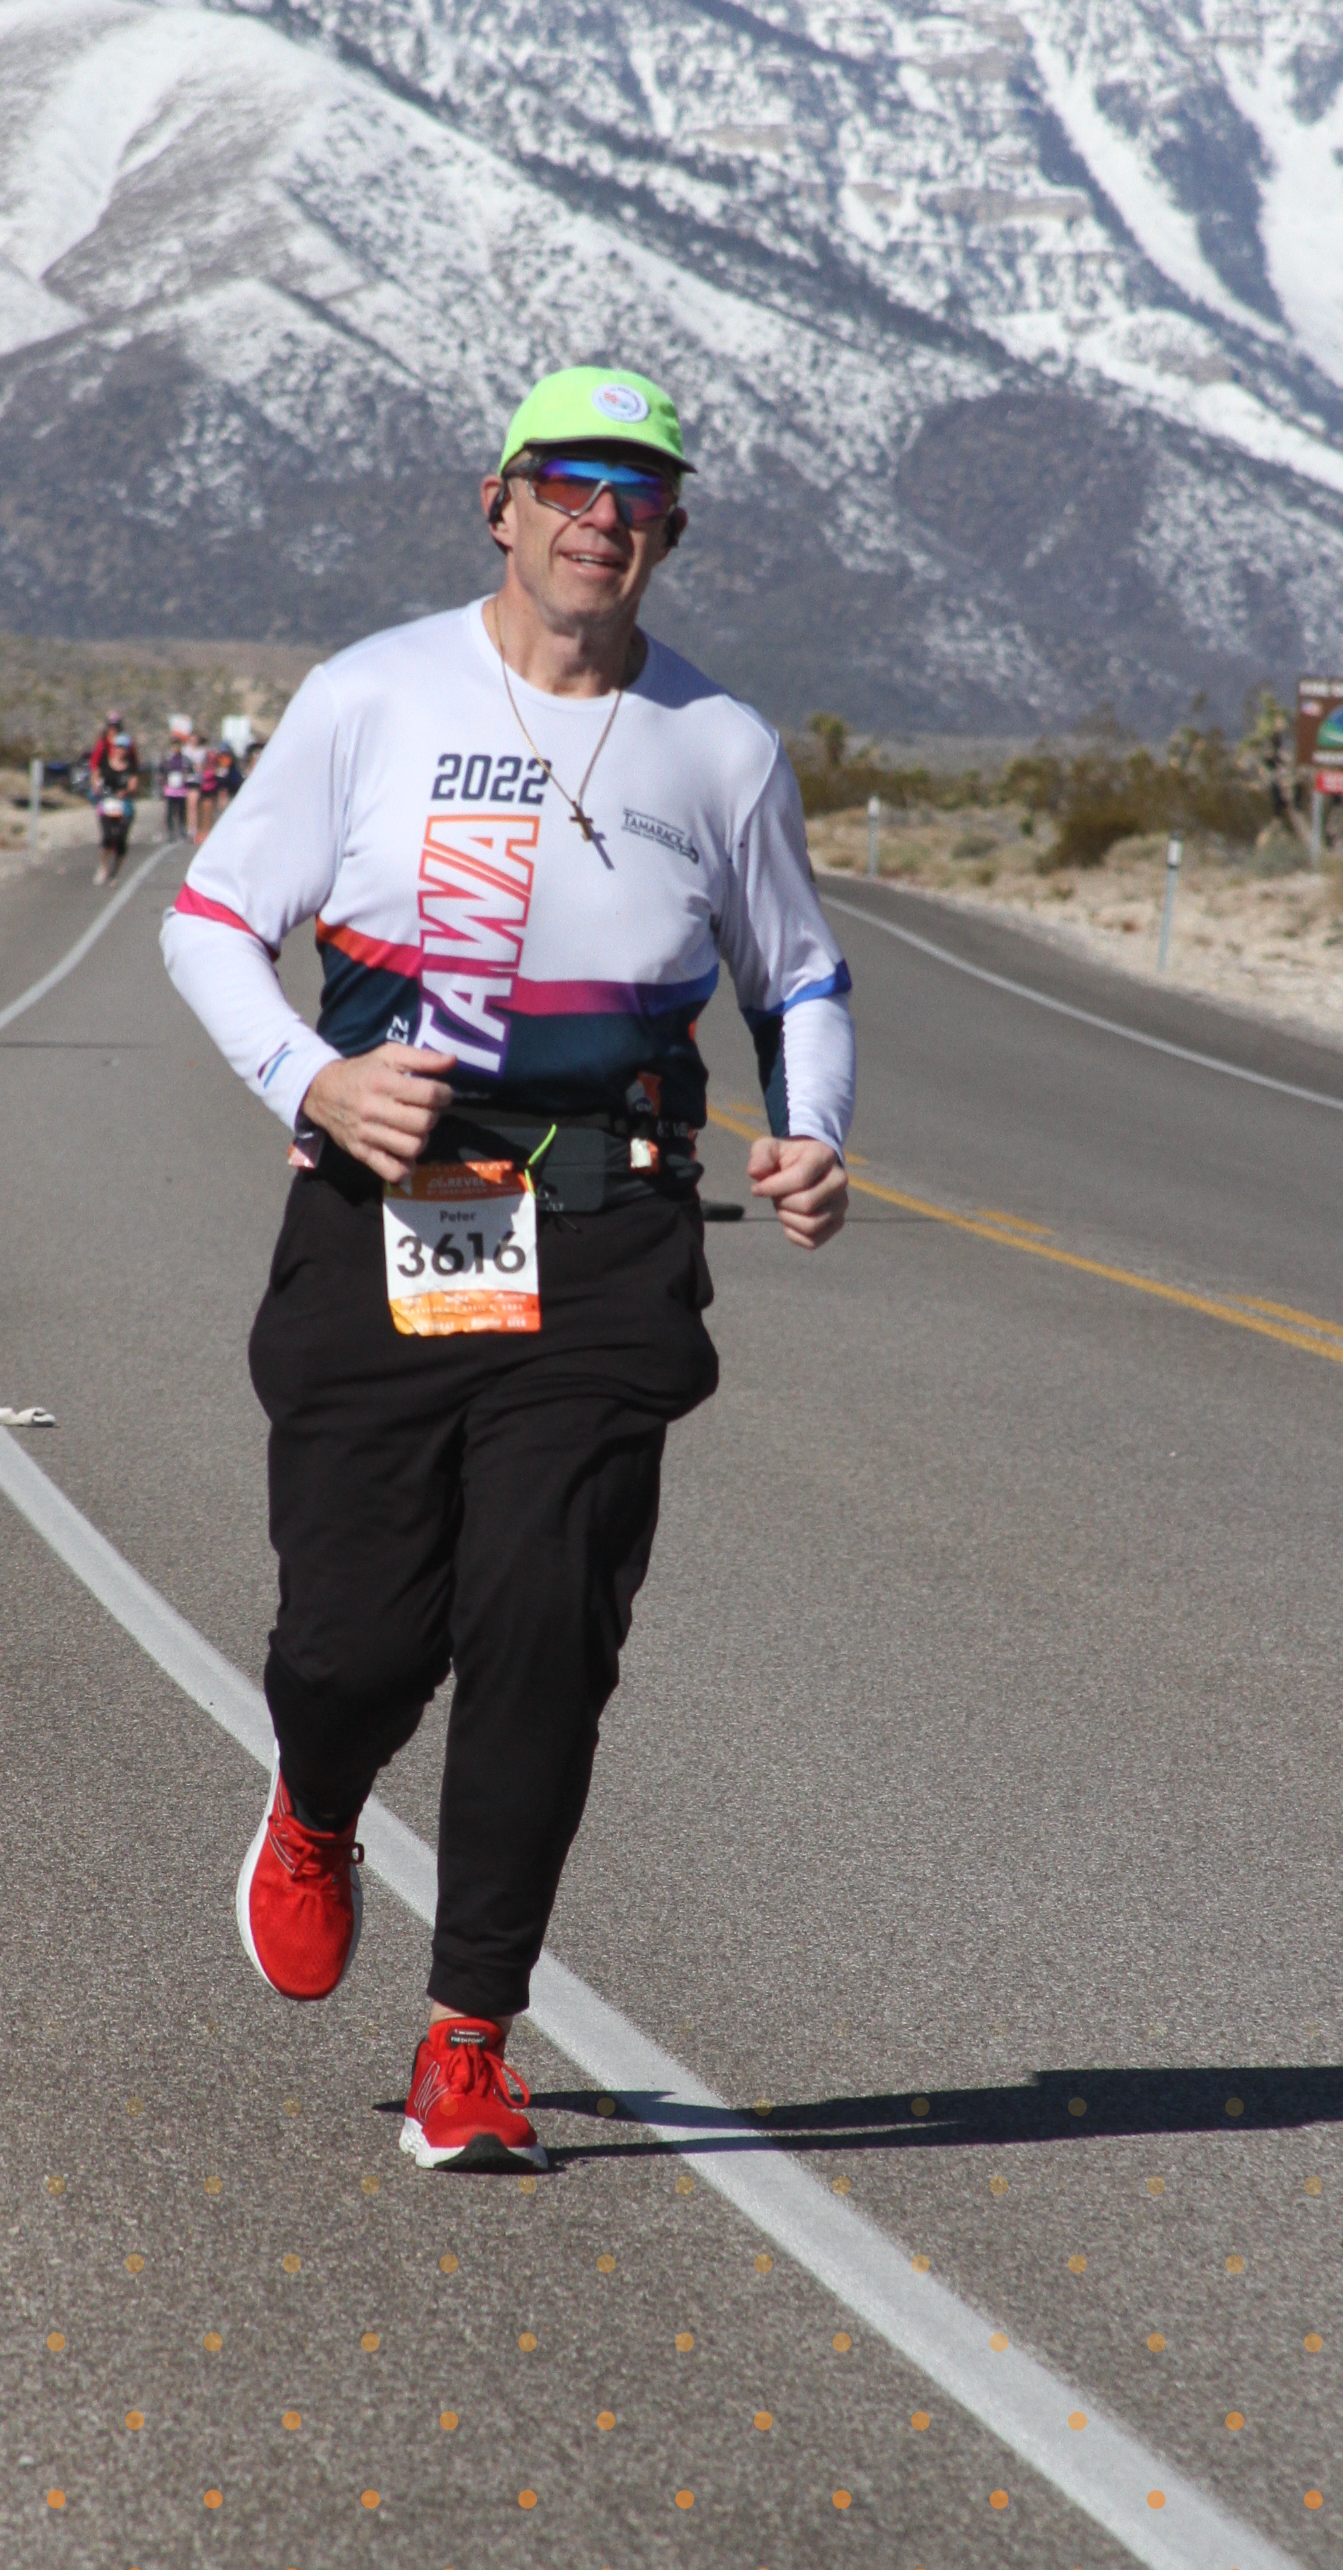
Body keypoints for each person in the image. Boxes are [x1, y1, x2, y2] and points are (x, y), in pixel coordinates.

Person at [163, 364, 853, 2172]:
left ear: (670, 529)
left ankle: (469, 2036)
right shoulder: (372, 695)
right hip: (390, 1216)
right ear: (501, 502)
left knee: (543, 1627)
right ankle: (318, 1800)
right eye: (568, 483)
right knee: (354, 1644)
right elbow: (212, 922)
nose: (599, 518)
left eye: (637, 493)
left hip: (610, 1238)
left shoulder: (719, 745)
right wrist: (308, 1077)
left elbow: (796, 974)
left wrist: (813, 1128)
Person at [88, 711, 138, 886]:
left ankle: (115, 872)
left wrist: (128, 790)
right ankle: (103, 867)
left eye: (116, 726)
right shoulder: (103, 746)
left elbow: (134, 775)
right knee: (107, 836)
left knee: (121, 837)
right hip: (107, 798)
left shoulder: (129, 752)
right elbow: (95, 769)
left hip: (123, 801)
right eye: (111, 726)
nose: (113, 729)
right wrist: (96, 785)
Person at [162, 732, 197, 844]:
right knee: (170, 811)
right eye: (174, 745)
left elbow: (191, 770)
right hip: (170, 788)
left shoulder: (185, 759)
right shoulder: (167, 759)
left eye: (178, 745)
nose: (176, 748)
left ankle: (181, 829)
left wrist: (185, 774)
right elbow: (161, 770)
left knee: (181, 810)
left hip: (181, 788)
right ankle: (170, 832)